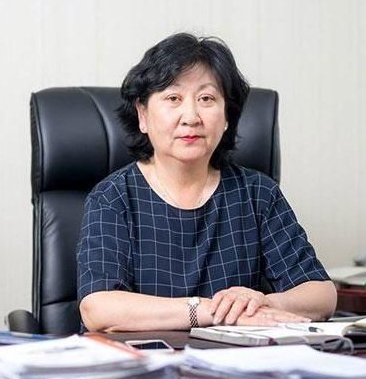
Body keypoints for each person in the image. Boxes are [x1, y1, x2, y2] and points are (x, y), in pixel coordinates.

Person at [76, 33, 337, 332]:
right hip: (148, 358)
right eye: (173, 98)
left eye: (206, 99)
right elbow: (98, 308)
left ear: (227, 118)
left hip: (236, 358)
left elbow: (321, 295)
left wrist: (259, 303)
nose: (191, 117)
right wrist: (210, 310)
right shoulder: (113, 198)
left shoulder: (258, 194)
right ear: (143, 115)